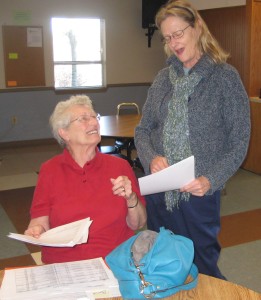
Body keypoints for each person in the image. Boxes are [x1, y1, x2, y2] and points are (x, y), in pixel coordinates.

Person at [135, 0, 250, 279]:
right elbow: (143, 130)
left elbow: (239, 140)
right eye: (167, 37)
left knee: (202, 266)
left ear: (197, 27)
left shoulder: (224, 77)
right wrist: (152, 158)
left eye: (179, 33)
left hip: (199, 193)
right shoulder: (163, 78)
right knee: (163, 263)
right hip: (160, 194)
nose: (173, 43)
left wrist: (211, 179)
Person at [25, 94, 146, 264]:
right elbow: (39, 221)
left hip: (114, 260)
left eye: (93, 117)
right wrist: (36, 230)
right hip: (63, 263)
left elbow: (138, 224)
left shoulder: (120, 167)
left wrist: (131, 198)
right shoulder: (49, 170)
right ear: (64, 133)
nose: (93, 123)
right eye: (83, 119)